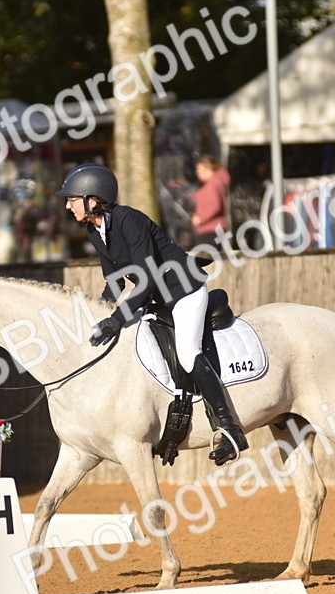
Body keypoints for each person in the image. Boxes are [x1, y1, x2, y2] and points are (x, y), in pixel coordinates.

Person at [56, 162, 248, 466]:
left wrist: (116, 320)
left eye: (72, 199)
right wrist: (98, 315)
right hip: (158, 299)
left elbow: (144, 280)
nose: (68, 206)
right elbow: (115, 282)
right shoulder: (94, 230)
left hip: (184, 291)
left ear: (92, 198)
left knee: (188, 353)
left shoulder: (130, 221)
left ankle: (230, 428)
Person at [190, 155, 230, 242]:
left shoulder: (212, 184)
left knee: (203, 250)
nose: (198, 172)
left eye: (201, 170)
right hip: (215, 229)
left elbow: (215, 205)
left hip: (211, 229)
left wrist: (200, 219)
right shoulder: (213, 183)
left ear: (210, 169)